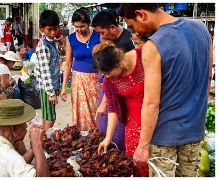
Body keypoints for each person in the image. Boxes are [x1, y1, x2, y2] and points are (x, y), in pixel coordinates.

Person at [119, 3, 213, 177]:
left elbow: (151, 102)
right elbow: (207, 78)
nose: (136, 32)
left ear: (141, 14)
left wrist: (143, 146)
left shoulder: (153, 46)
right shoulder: (202, 29)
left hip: (164, 136)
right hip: (194, 130)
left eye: (133, 26)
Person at [94, 41, 148, 177]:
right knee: (137, 163)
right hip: (134, 123)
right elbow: (112, 109)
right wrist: (108, 138)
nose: (106, 77)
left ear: (118, 63)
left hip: (159, 118)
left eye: (107, 72)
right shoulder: (109, 81)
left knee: (159, 162)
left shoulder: (143, 56)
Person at [91, 10, 135, 151]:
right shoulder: (111, 43)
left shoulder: (129, 43)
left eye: (102, 32)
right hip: (113, 94)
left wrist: (105, 103)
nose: (101, 37)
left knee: (121, 129)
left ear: (112, 27)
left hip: (128, 97)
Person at [0, 99, 49, 177]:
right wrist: (37, 146)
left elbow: (16, 166)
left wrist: (33, 147)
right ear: (13, 129)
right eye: (24, 123)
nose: (26, 126)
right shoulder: (9, 156)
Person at [60, 8, 100, 131]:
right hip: (78, 81)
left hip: (96, 81)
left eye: (82, 26)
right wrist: (63, 87)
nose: (79, 29)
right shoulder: (71, 39)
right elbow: (68, 63)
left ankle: (98, 136)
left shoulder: (98, 36)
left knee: (97, 110)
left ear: (89, 23)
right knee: (81, 111)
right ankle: (84, 138)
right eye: (76, 26)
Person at [35, 10, 60, 132]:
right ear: (42, 28)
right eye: (49, 29)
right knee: (50, 117)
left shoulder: (52, 42)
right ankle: (42, 142)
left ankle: (40, 141)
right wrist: (51, 93)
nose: (53, 32)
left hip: (49, 86)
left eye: (55, 29)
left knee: (46, 116)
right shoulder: (43, 46)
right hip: (46, 88)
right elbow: (45, 72)